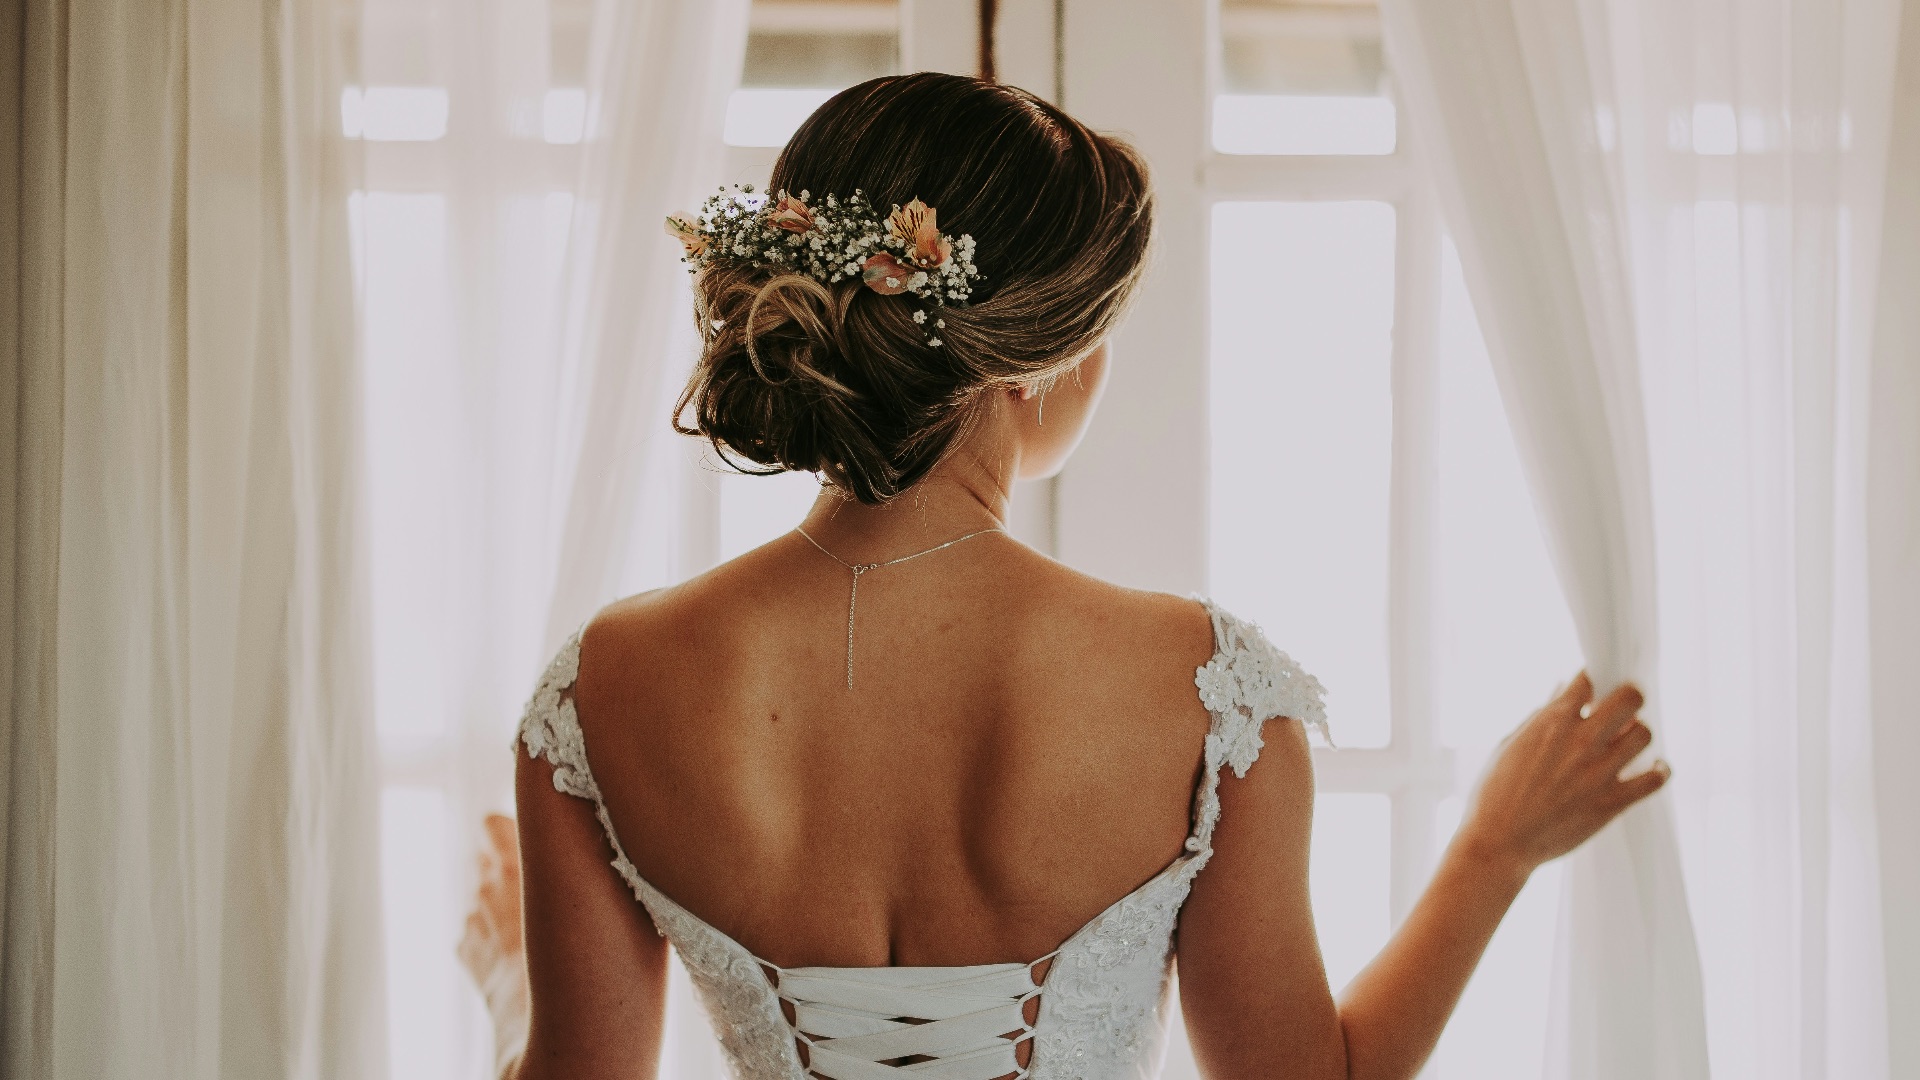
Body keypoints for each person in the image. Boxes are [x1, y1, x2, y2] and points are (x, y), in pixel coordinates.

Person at [456, 72, 1671, 1080]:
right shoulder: (1206, 694)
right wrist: (1491, 853)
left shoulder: (608, 683)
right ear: (1040, 361)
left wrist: (518, 995)